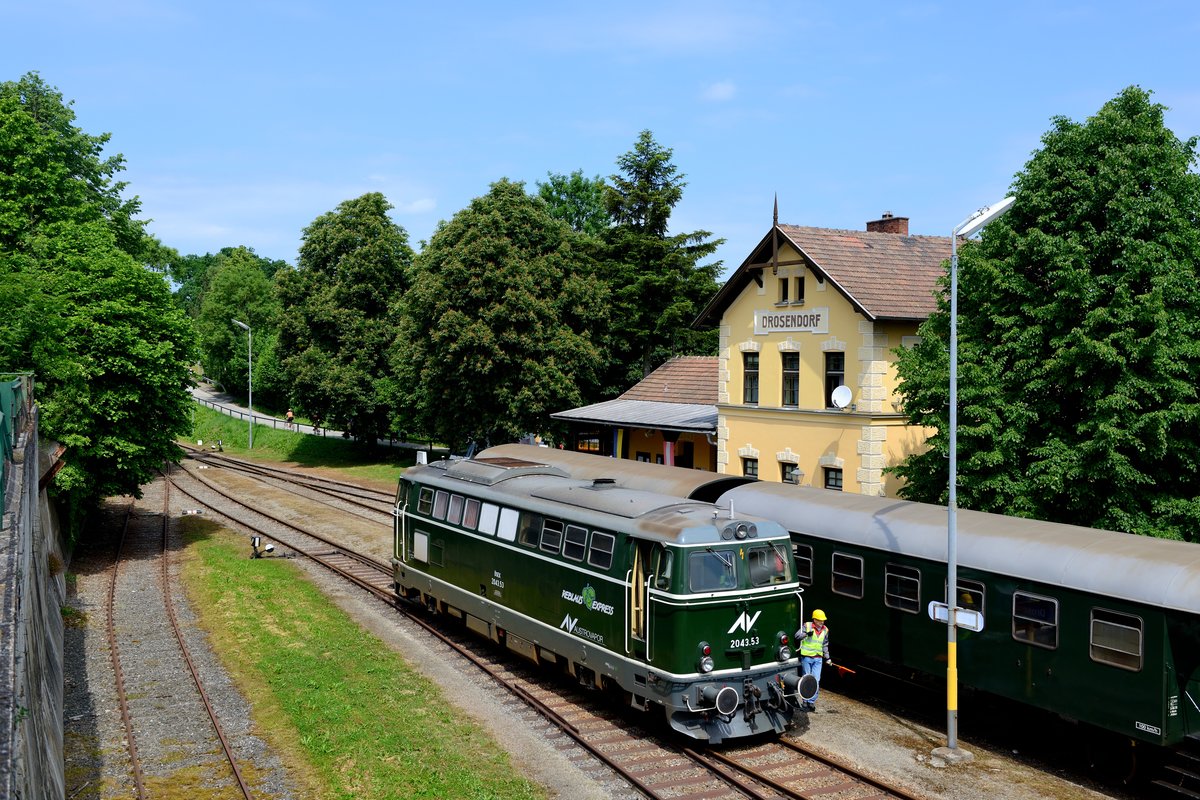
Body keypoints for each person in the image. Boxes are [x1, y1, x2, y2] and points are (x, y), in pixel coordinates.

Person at [797, 608, 831, 712]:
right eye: (820, 620)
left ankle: (811, 702)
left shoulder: (825, 630)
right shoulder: (807, 626)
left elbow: (825, 644)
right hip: (807, 657)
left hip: (818, 658)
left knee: (816, 680)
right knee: (806, 679)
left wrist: (828, 657)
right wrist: (806, 634)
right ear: (815, 620)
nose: (822, 622)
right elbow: (797, 636)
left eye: (823, 620)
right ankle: (805, 701)